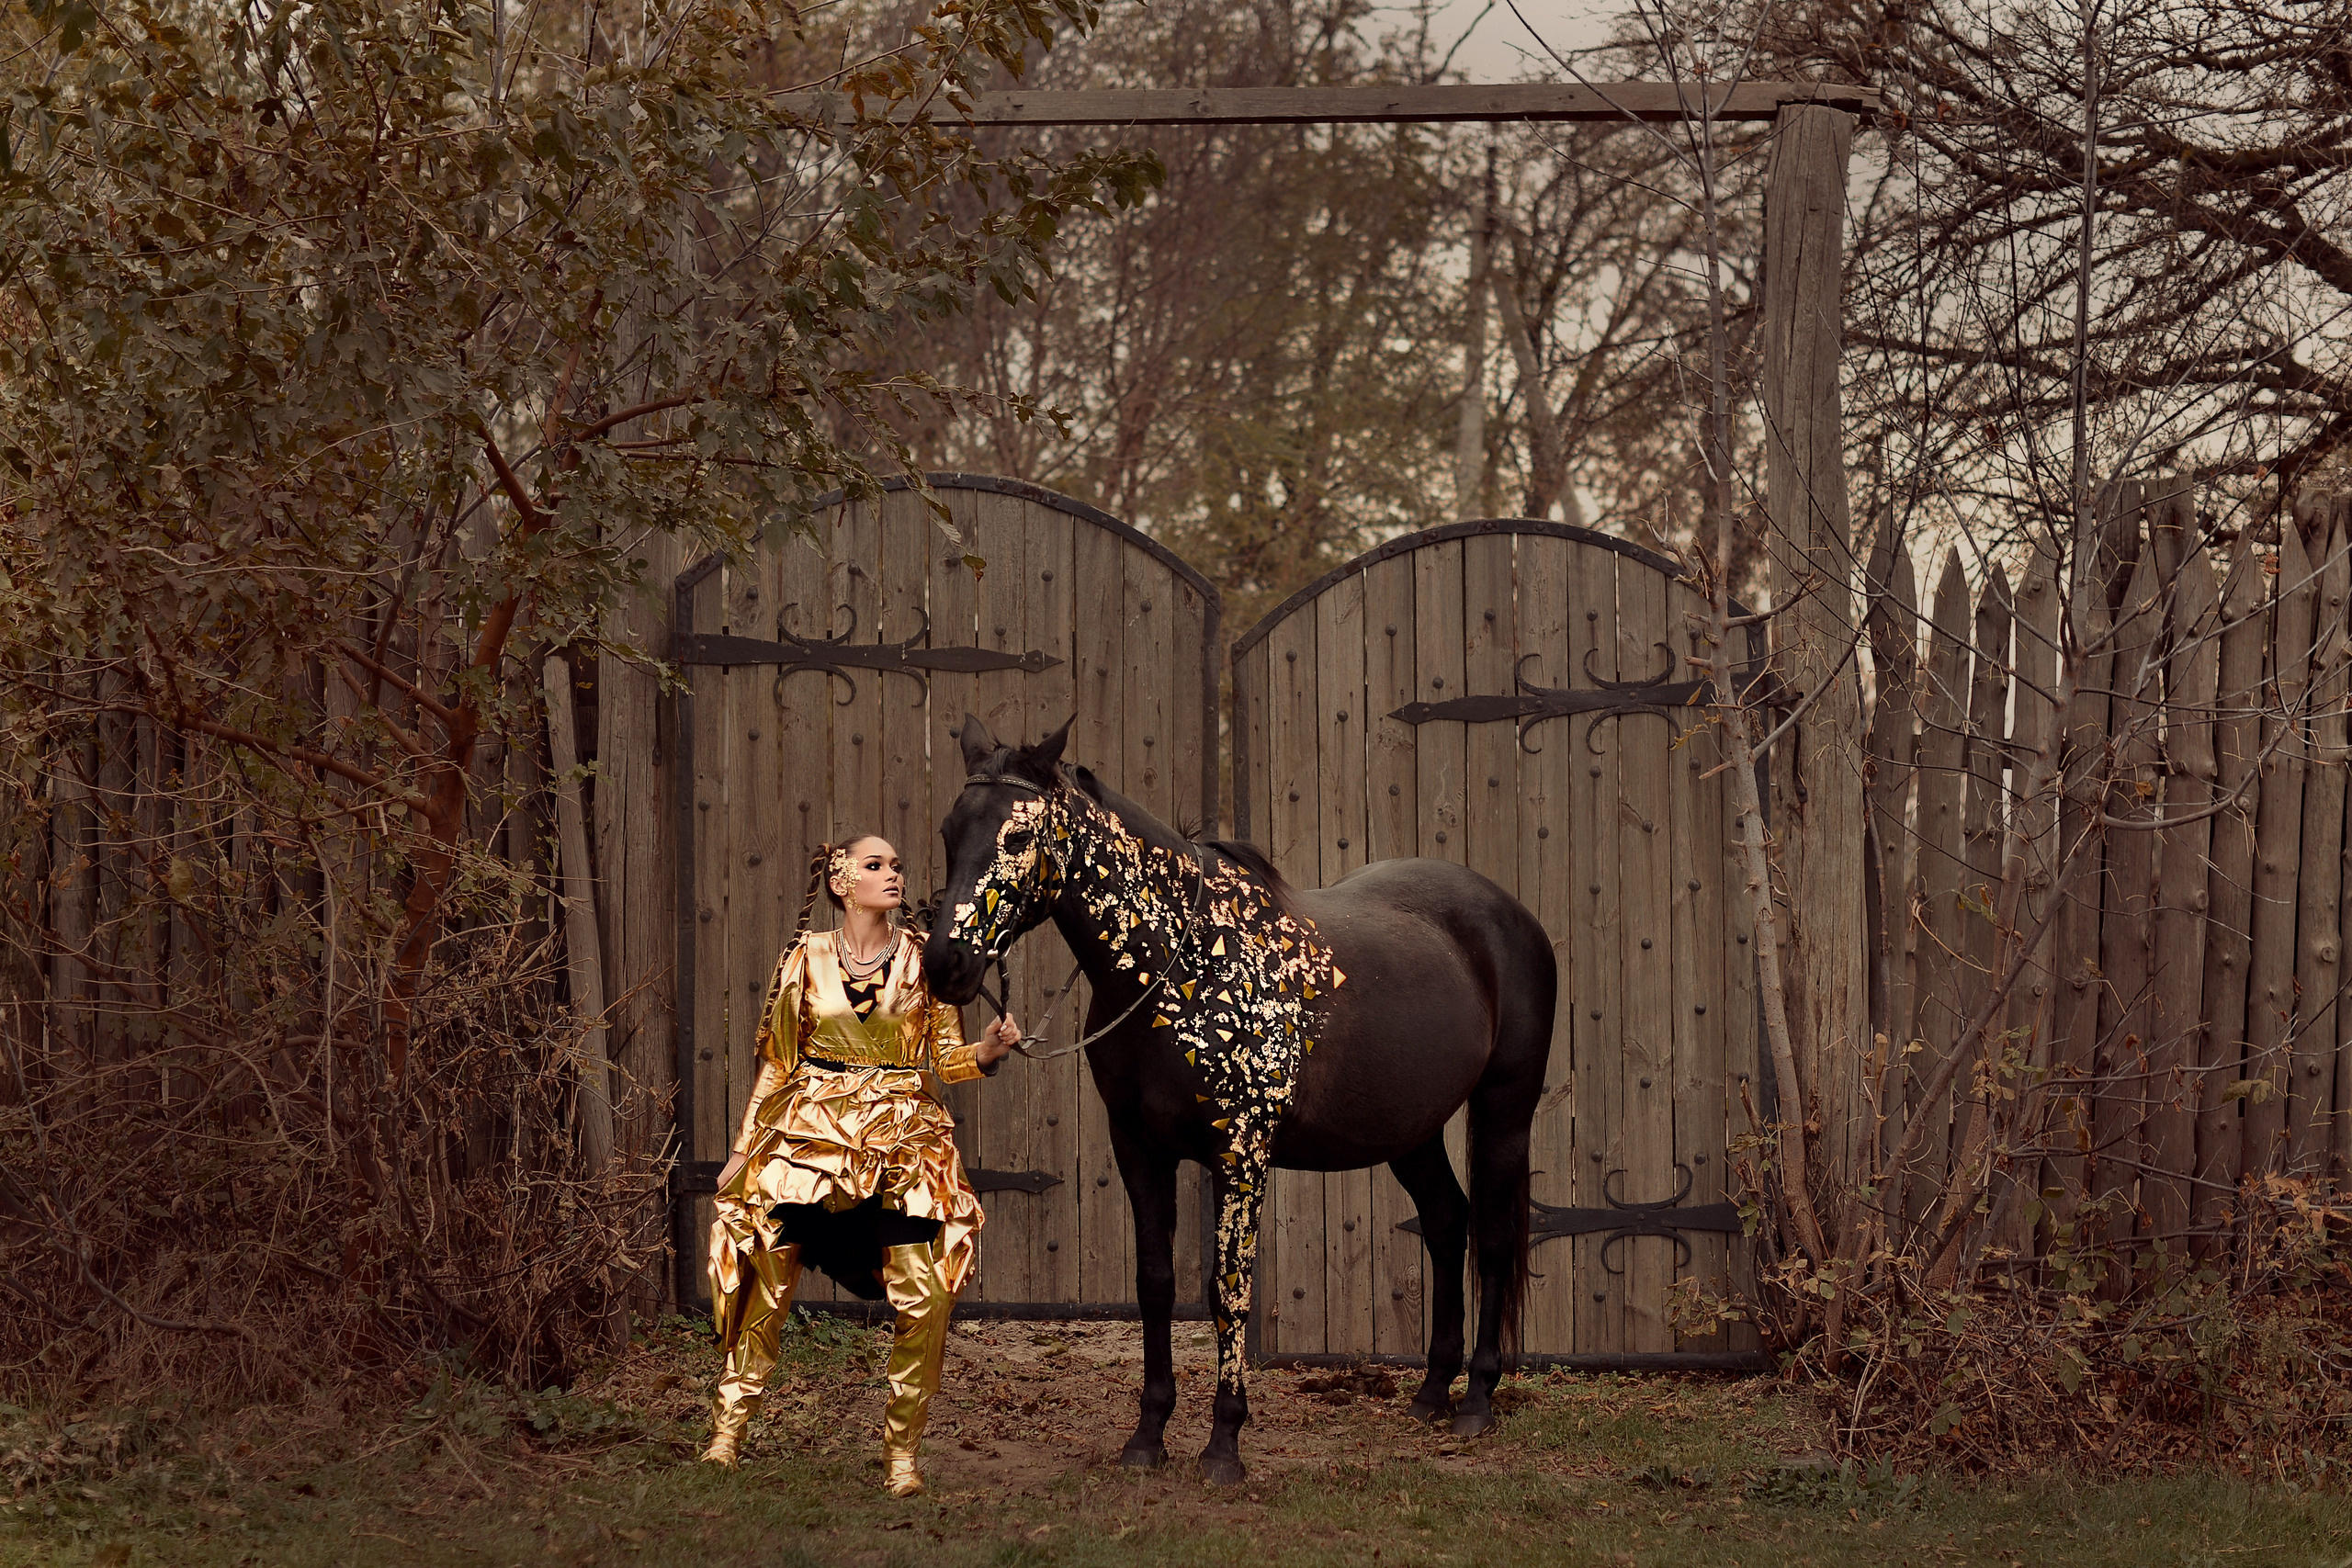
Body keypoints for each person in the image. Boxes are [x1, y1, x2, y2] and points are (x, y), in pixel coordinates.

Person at [703, 834, 1020, 1495]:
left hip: (904, 1141)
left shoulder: (925, 961)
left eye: (898, 865)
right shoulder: (805, 956)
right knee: (768, 1281)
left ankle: (901, 1454)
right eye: (877, 864)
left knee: (927, 1293)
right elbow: (777, 1063)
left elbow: (948, 1061)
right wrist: (742, 1148)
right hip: (808, 1140)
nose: (893, 873)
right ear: (843, 880)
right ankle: (727, 1432)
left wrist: (988, 1051)